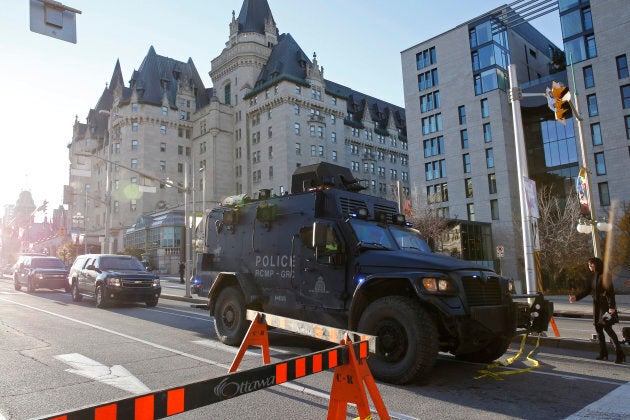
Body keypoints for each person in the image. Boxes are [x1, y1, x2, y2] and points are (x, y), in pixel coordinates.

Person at [570, 257, 625, 364]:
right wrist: (576, 297)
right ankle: (603, 353)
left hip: (606, 307)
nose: (589, 267)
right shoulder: (591, 276)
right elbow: (587, 291)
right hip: (597, 307)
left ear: (597, 264)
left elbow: (610, 292)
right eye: (589, 265)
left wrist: (611, 307)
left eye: (591, 265)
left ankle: (620, 354)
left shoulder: (605, 275)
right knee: (598, 329)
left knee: (607, 328)